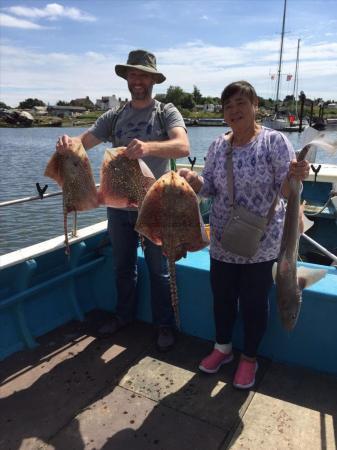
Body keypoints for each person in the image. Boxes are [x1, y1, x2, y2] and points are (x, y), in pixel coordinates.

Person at [56, 49, 190, 351]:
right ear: (126, 78)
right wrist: (68, 144)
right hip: (119, 206)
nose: (137, 79)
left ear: (153, 79)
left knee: (160, 270)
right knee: (122, 266)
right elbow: (84, 142)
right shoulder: (114, 116)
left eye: (143, 74)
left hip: (155, 204)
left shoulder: (166, 111)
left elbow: (182, 146)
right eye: (132, 74)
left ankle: (164, 325)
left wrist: (149, 148)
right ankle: (124, 316)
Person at [178, 80, 309, 389]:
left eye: (241, 103)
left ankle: (249, 358)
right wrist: (193, 180)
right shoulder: (217, 145)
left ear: (255, 107)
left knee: (253, 303)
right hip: (223, 240)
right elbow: (208, 186)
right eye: (228, 106)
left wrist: (296, 177)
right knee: (222, 299)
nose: (234, 110)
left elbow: (287, 191)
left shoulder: (274, 142)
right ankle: (222, 349)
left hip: (262, 243)